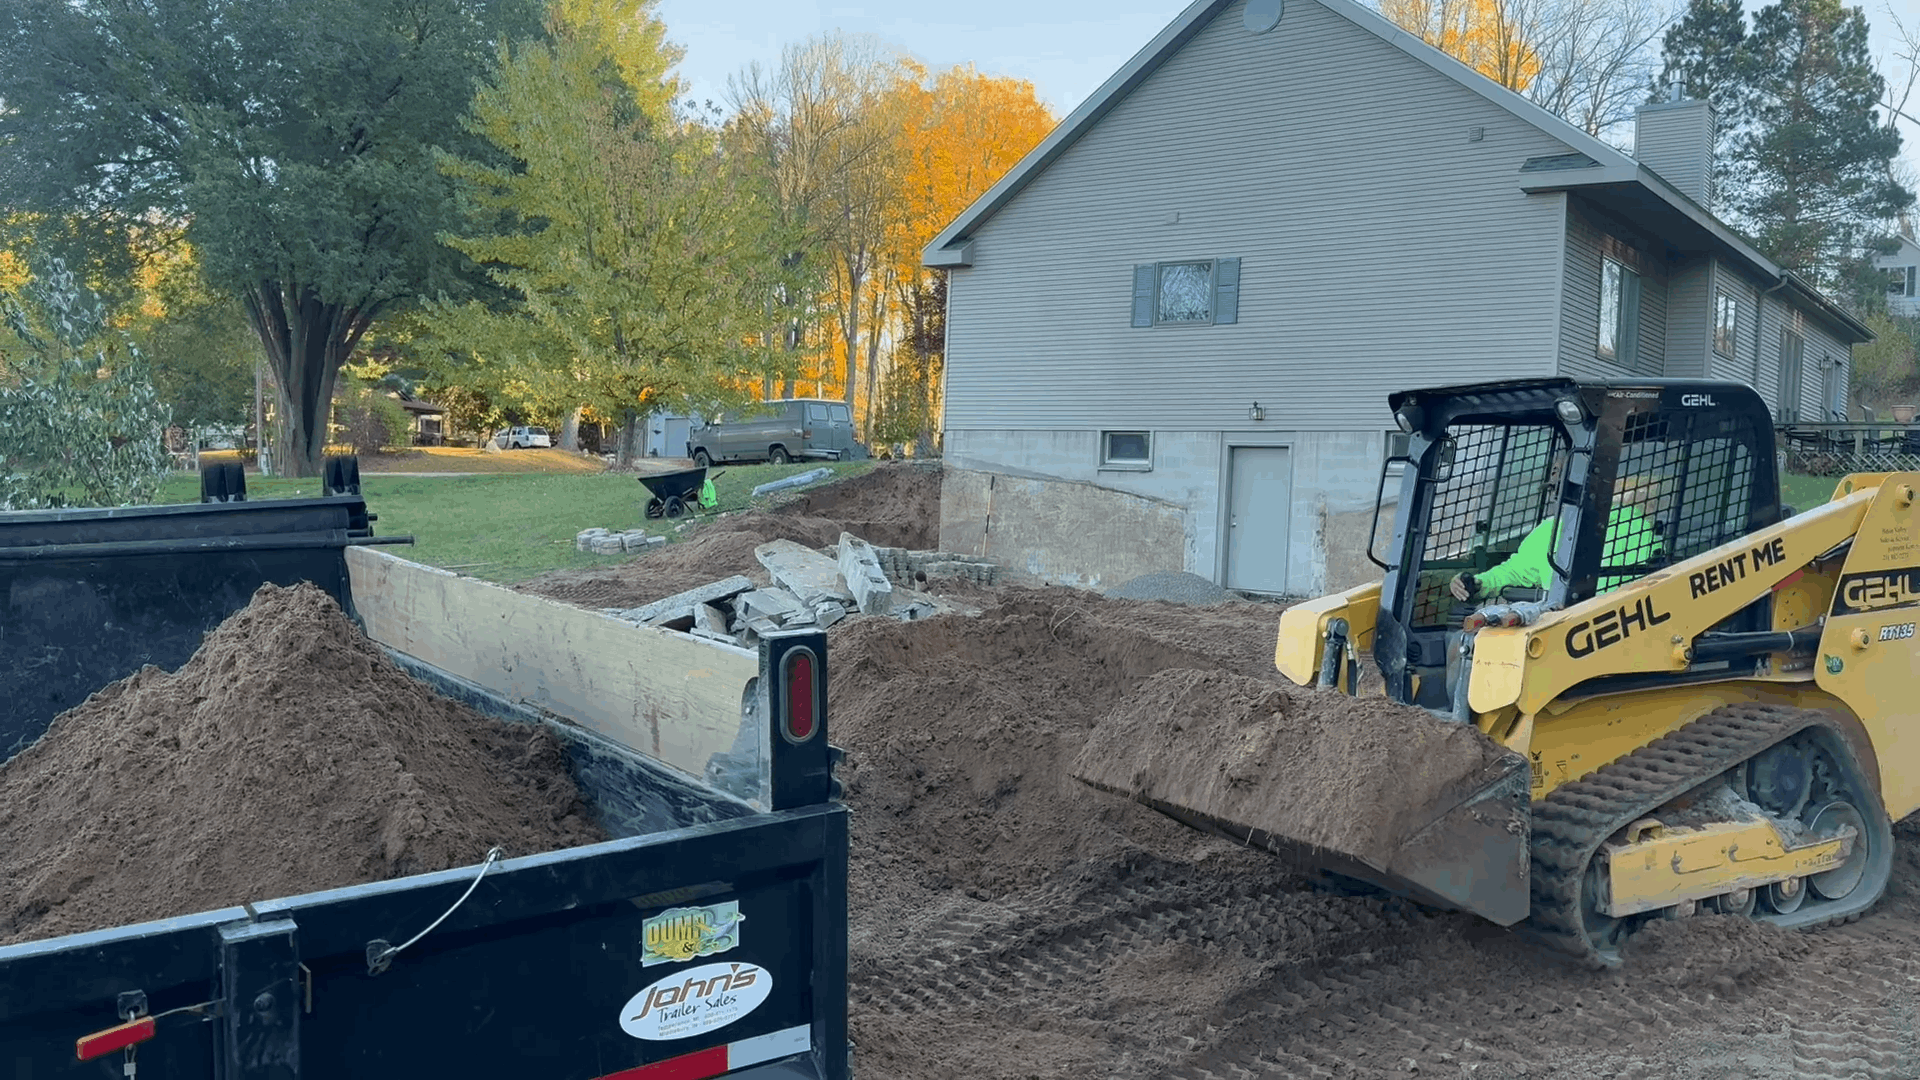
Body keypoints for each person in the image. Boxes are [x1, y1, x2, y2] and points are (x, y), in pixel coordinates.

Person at [1449, 476, 1663, 602]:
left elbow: (1513, 572)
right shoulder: (1549, 529)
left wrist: (1479, 584)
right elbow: (1516, 571)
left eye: (1556, 489)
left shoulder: (1634, 525)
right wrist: (1478, 583)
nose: (1554, 495)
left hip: (1589, 617)